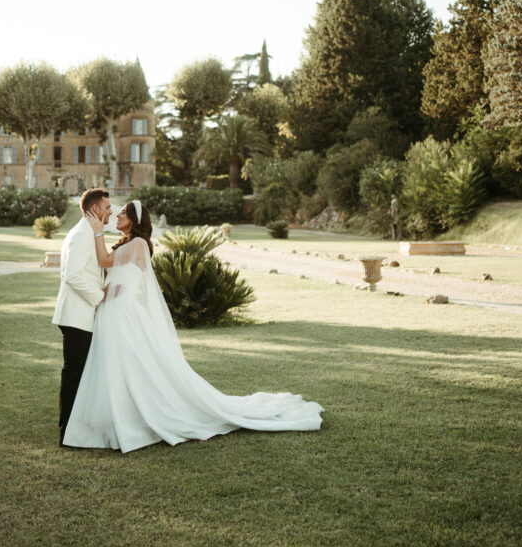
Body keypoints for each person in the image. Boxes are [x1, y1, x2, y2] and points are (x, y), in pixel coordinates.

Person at [62, 200, 323, 452]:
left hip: (122, 311)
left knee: (128, 362)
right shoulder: (128, 243)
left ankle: (132, 416)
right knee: (117, 363)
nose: (117, 215)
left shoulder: (139, 243)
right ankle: (113, 414)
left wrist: (97, 233)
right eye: (115, 212)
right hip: (112, 309)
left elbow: (106, 261)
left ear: (135, 221)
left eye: (123, 213)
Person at [51, 188, 113, 447]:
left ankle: (74, 426)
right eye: (107, 207)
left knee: (79, 372)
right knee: (74, 373)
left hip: (81, 315)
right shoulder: (81, 235)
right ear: (95, 209)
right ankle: (67, 431)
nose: (110, 211)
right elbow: (73, 275)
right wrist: (100, 297)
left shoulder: (89, 232)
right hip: (76, 315)